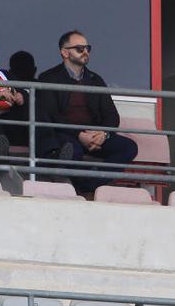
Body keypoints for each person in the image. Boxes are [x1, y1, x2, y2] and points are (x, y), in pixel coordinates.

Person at [37, 30, 138, 193]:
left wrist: (103, 134)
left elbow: (111, 115)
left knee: (128, 147)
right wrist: (79, 134)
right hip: (66, 133)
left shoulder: (95, 80)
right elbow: (51, 116)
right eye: (79, 48)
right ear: (64, 52)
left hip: (94, 133)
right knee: (71, 150)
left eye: (87, 48)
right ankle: (86, 186)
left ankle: (88, 186)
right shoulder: (49, 78)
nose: (85, 52)